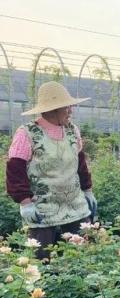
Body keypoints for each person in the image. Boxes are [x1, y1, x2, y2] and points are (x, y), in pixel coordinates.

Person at [5, 81, 97, 260]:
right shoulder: (28, 133)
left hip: (74, 204)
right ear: (53, 109)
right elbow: (15, 169)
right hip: (42, 207)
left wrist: (88, 190)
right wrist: (24, 202)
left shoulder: (72, 130)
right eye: (67, 107)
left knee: (82, 256)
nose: (71, 111)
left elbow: (80, 163)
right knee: (41, 259)